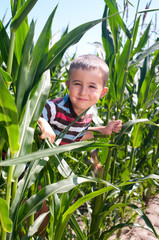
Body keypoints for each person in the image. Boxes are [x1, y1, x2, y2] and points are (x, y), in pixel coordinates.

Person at [38, 54, 122, 145]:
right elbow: (30, 115)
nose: (83, 92)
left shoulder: (89, 115)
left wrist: (104, 130)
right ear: (68, 85)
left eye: (91, 86)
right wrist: (43, 123)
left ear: (103, 93)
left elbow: (78, 135)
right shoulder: (54, 108)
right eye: (77, 84)